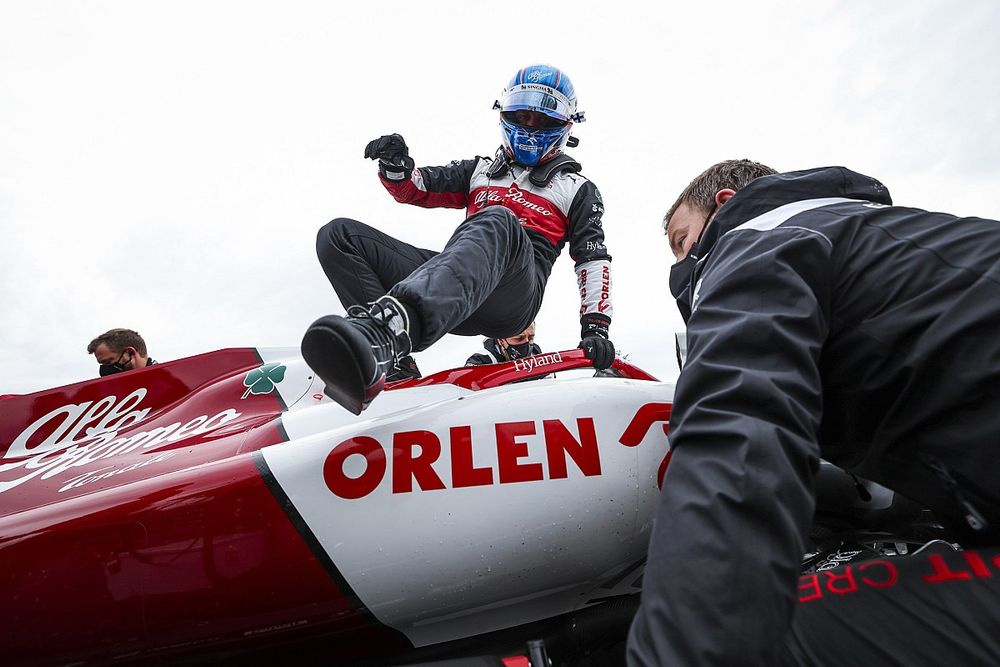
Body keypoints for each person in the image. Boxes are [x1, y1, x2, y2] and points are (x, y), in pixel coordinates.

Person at [627, 162, 1000, 665]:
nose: (681, 262)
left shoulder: (758, 239)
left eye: (681, 240)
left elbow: (738, 434)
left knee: (765, 632)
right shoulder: (879, 235)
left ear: (724, 205)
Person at [303, 64, 615, 414]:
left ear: (565, 125)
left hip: (512, 301)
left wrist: (596, 329)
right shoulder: (479, 170)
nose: (529, 127)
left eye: (541, 120)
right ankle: (391, 366)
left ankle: (386, 331)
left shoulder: (577, 188)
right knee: (338, 235)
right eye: (522, 116)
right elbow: (416, 188)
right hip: (456, 294)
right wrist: (395, 166)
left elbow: (592, 260)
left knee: (499, 219)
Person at [87, 328, 157, 377]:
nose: (105, 370)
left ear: (130, 353)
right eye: (102, 364)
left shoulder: (162, 382)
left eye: (108, 362)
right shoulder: (111, 391)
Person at [465, 322, 542, 366]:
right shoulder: (480, 360)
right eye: (519, 338)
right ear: (501, 341)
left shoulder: (535, 351)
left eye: (531, 338)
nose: (526, 342)